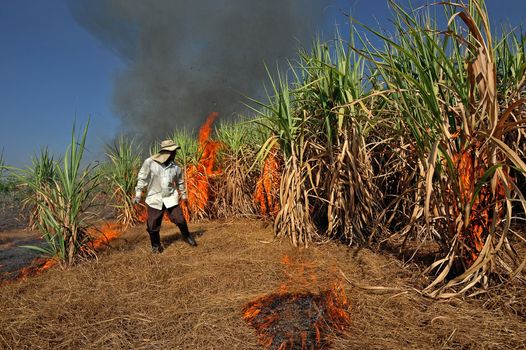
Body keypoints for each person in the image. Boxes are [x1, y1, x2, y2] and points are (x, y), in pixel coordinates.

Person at [133, 139, 197, 253]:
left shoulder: (175, 167)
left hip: (170, 198)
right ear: (166, 152)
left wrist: (184, 196)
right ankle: (156, 246)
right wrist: (138, 195)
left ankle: (187, 236)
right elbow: (142, 178)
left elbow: (180, 182)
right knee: (153, 225)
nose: (175, 153)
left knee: (180, 219)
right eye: (173, 151)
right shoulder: (150, 163)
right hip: (154, 198)